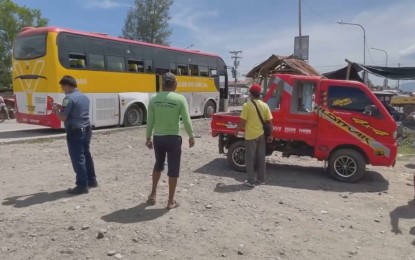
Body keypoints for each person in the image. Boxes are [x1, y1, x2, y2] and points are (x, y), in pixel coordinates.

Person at [145, 72, 195, 210]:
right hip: (173, 139)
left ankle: (153, 194)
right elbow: (186, 120)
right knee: (173, 169)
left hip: (158, 138)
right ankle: (170, 201)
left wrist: (148, 138)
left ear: (162, 84)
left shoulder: (154, 99)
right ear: (175, 84)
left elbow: (150, 121)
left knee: (158, 165)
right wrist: (191, 136)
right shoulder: (180, 99)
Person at [52, 75, 97, 195]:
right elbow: (76, 110)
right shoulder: (84, 97)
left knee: (78, 158)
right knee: (86, 155)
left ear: (66, 86)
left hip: (75, 132)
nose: (62, 90)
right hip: (87, 130)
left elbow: (63, 117)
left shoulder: (68, 99)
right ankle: (92, 180)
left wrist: (56, 110)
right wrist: (62, 108)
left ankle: (82, 186)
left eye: (62, 87)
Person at [234, 83, 273, 187]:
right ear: (259, 94)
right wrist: (270, 135)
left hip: (251, 136)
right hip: (261, 135)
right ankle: (261, 179)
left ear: (251, 93)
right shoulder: (265, 105)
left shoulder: (247, 105)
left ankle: (250, 181)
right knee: (261, 157)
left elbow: (242, 120)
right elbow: (269, 122)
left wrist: (237, 130)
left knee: (250, 158)